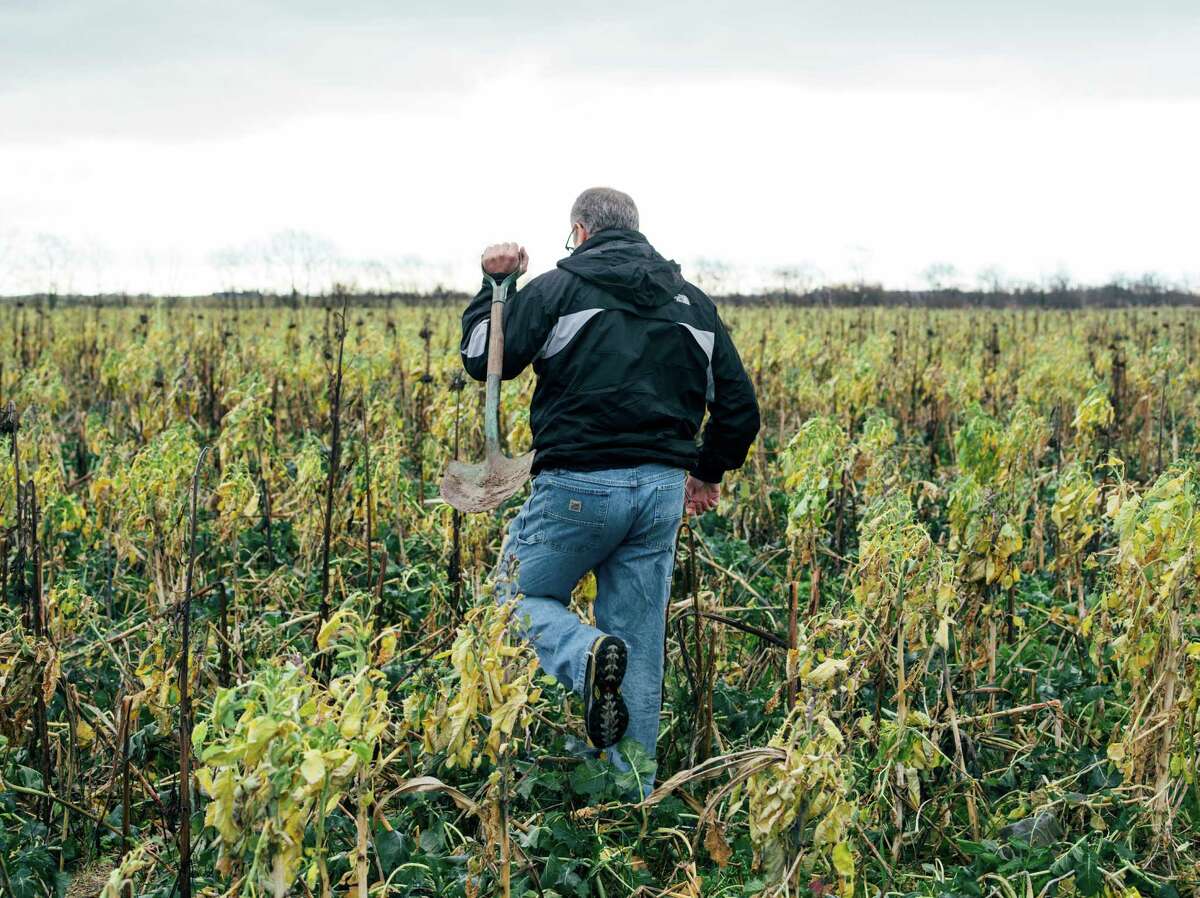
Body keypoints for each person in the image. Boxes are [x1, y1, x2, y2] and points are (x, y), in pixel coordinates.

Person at [458, 186, 760, 792]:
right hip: (659, 495)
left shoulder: (557, 288)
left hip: (576, 485)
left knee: (510, 603)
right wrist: (708, 472)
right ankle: (631, 796)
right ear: (637, 231)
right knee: (640, 645)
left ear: (580, 231)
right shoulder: (692, 304)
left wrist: (495, 289)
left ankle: (583, 656)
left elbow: (479, 356)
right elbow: (741, 409)